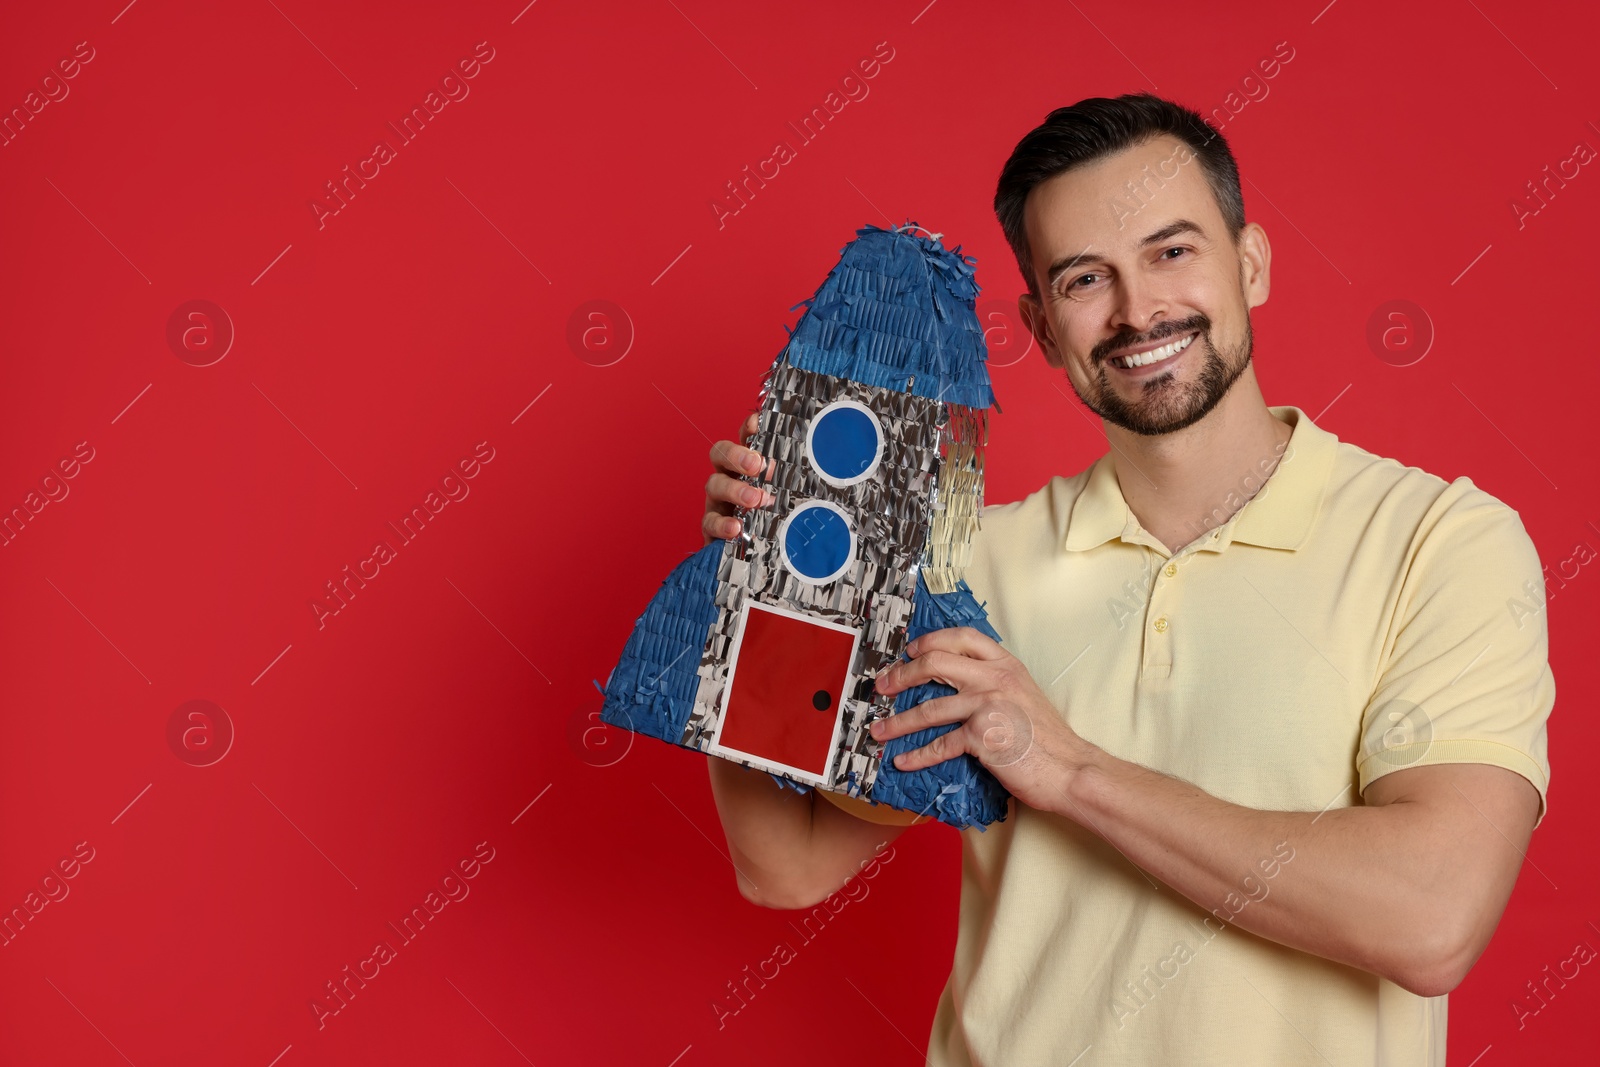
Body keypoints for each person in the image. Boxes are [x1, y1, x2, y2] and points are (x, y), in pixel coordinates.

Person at [698, 93, 1553, 1066]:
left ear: (1252, 263)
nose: (1137, 308)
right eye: (1083, 278)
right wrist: (761, 596)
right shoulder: (969, 564)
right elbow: (788, 862)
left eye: (1171, 251)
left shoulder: (1438, 542)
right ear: (1042, 324)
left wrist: (1070, 771)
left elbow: (1429, 916)